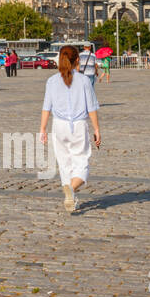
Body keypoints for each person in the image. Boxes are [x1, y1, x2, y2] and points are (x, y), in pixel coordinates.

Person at [39, 45, 101, 214]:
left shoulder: (51, 81)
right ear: (77, 61)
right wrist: (97, 129)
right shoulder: (84, 81)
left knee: (64, 163)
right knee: (82, 162)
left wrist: (42, 129)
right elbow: (91, 109)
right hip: (78, 126)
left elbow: (46, 107)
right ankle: (72, 189)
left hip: (59, 126)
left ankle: (69, 196)